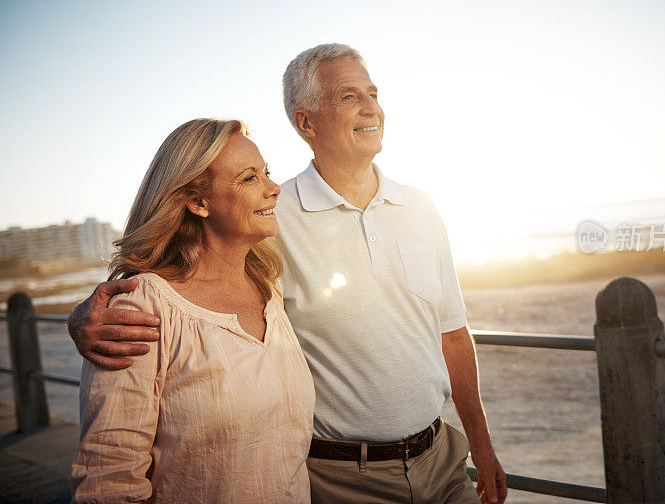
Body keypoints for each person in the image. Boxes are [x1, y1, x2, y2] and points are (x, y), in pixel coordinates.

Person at [68, 44, 507, 504]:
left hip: (442, 459)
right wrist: (85, 318)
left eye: (372, 92)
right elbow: (186, 275)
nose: (371, 106)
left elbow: (453, 334)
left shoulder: (422, 208)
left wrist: (483, 445)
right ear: (305, 122)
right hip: (339, 478)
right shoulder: (269, 219)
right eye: (348, 96)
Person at [70, 119, 315, 503]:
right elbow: (109, 478)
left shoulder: (267, 287)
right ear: (199, 202)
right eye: (249, 178)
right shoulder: (145, 304)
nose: (272, 188)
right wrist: (78, 318)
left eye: (267, 172)